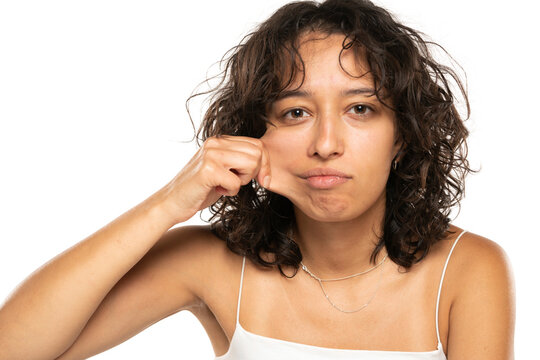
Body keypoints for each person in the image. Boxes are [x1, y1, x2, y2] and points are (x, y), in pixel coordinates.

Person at [0, 0, 515, 359]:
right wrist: (170, 204)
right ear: (254, 134)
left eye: (361, 108)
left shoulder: (468, 269)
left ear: (402, 135)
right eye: (295, 112)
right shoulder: (211, 265)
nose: (326, 143)